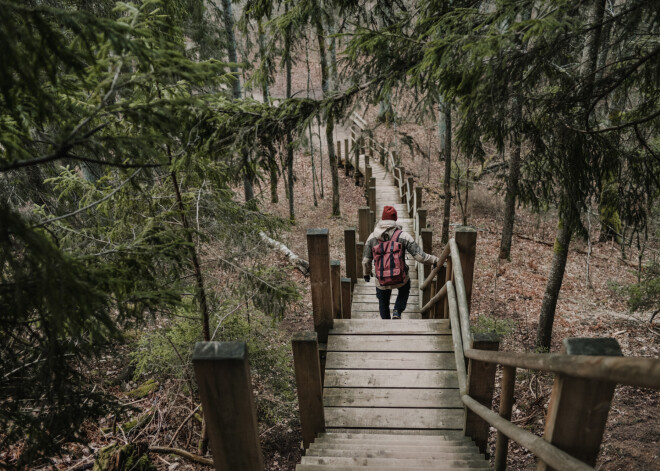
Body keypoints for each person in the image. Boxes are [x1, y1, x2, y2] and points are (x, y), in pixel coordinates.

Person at [362, 205, 439, 319]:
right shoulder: (403, 236)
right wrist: (435, 260)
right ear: (395, 219)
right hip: (400, 278)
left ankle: (385, 322)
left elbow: (366, 260)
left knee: (383, 301)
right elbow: (420, 257)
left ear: (382, 219)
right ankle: (397, 310)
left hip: (381, 279)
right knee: (405, 288)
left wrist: (366, 274)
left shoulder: (372, 237)